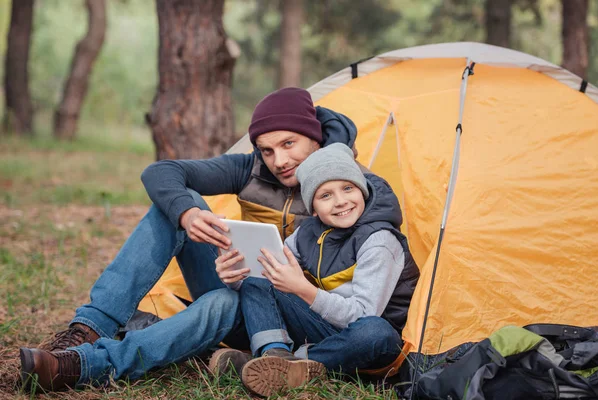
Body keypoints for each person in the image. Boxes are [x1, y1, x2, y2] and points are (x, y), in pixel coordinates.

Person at [18, 87, 359, 392]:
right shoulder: (252, 169)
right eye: (267, 150)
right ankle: (88, 329)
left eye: (289, 144)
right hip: (244, 287)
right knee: (177, 206)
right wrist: (188, 215)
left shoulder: (346, 185)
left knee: (221, 304)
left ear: (313, 135)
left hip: (297, 313)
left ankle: (87, 365)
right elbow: (160, 172)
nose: (279, 161)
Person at [214, 143, 420, 397]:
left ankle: (288, 364)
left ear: (362, 190)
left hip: (370, 343)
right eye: (325, 195)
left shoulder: (379, 240)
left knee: (375, 332)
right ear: (313, 208)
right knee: (262, 274)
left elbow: (363, 314)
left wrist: (304, 290)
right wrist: (234, 277)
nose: (341, 201)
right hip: (326, 327)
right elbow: (270, 275)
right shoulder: (307, 232)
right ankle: (273, 353)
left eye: (347, 188)